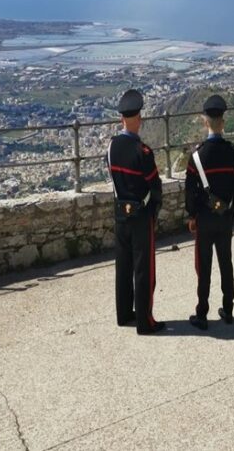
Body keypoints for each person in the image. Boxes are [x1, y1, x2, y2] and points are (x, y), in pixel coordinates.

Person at [107, 89, 165, 335]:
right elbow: (155, 186)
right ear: (138, 118)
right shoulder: (143, 152)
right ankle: (145, 321)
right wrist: (154, 211)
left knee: (123, 265)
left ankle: (123, 314)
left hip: (120, 213)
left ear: (121, 119)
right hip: (141, 216)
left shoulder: (111, 147)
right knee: (144, 269)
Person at [185, 94, 234, 330]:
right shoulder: (232, 152)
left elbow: (190, 192)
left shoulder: (197, 156)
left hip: (205, 218)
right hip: (225, 217)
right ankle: (228, 309)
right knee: (226, 262)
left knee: (205, 266)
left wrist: (192, 216)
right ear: (223, 121)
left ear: (205, 122)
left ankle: (202, 313)